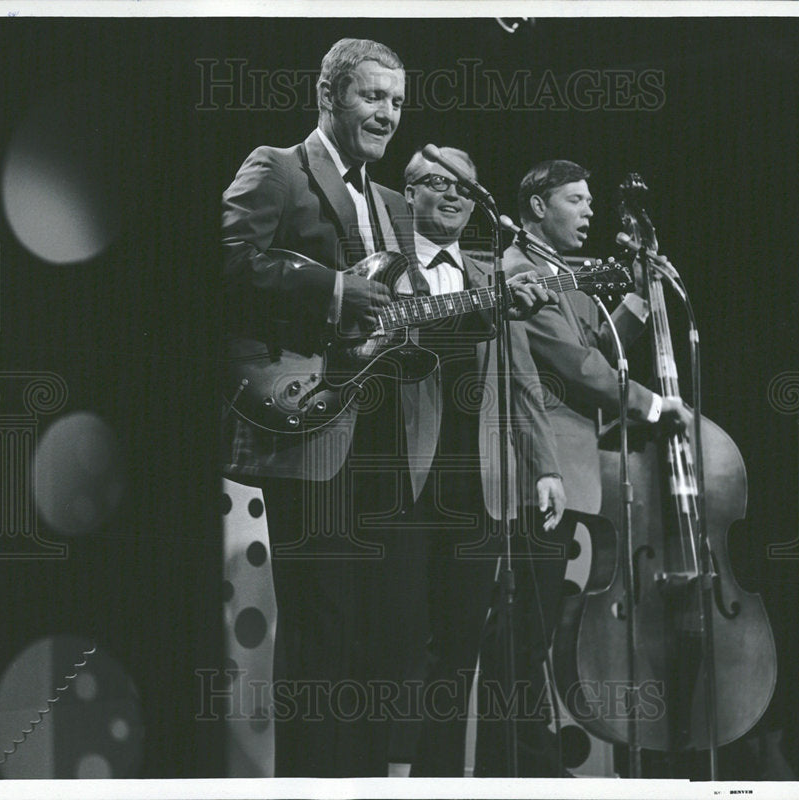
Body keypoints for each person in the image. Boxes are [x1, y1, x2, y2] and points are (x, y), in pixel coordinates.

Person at [220, 39, 557, 776]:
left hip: (382, 447)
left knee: (375, 642)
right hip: (308, 424)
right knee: (319, 632)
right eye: (373, 96)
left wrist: (498, 304)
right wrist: (334, 290)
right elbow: (229, 260)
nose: (387, 113)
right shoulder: (277, 167)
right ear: (329, 95)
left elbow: (410, 317)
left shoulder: (392, 204)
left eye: (397, 101)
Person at [475, 159, 691, 776]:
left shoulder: (563, 274)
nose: (589, 211)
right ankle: (520, 766)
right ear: (537, 206)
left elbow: (602, 346)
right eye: (575, 199)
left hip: (570, 479)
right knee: (523, 635)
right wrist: (653, 404)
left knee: (536, 633)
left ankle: (523, 761)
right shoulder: (519, 274)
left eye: (590, 199)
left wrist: (641, 295)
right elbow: (578, 368)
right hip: (533, 475)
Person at [396, 147, 567, 777]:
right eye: (437, 183)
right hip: (397, 484)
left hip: (476, 490)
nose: (453, 196)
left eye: (465, 188)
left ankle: (437, 781)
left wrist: (545, 467)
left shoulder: (489, 276)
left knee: (459, 647)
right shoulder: (384, 267)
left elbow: (522, 380)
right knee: (394, 644)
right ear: (407, 193)